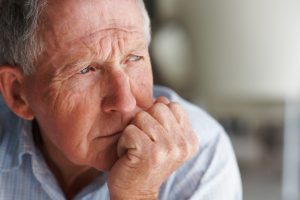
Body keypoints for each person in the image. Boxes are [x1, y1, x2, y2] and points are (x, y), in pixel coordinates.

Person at [0, 0, 242, 199]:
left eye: (134, 58)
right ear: (18, 93)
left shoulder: (201, 155)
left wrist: (138, 193)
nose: (126, 102)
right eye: (86, 70)